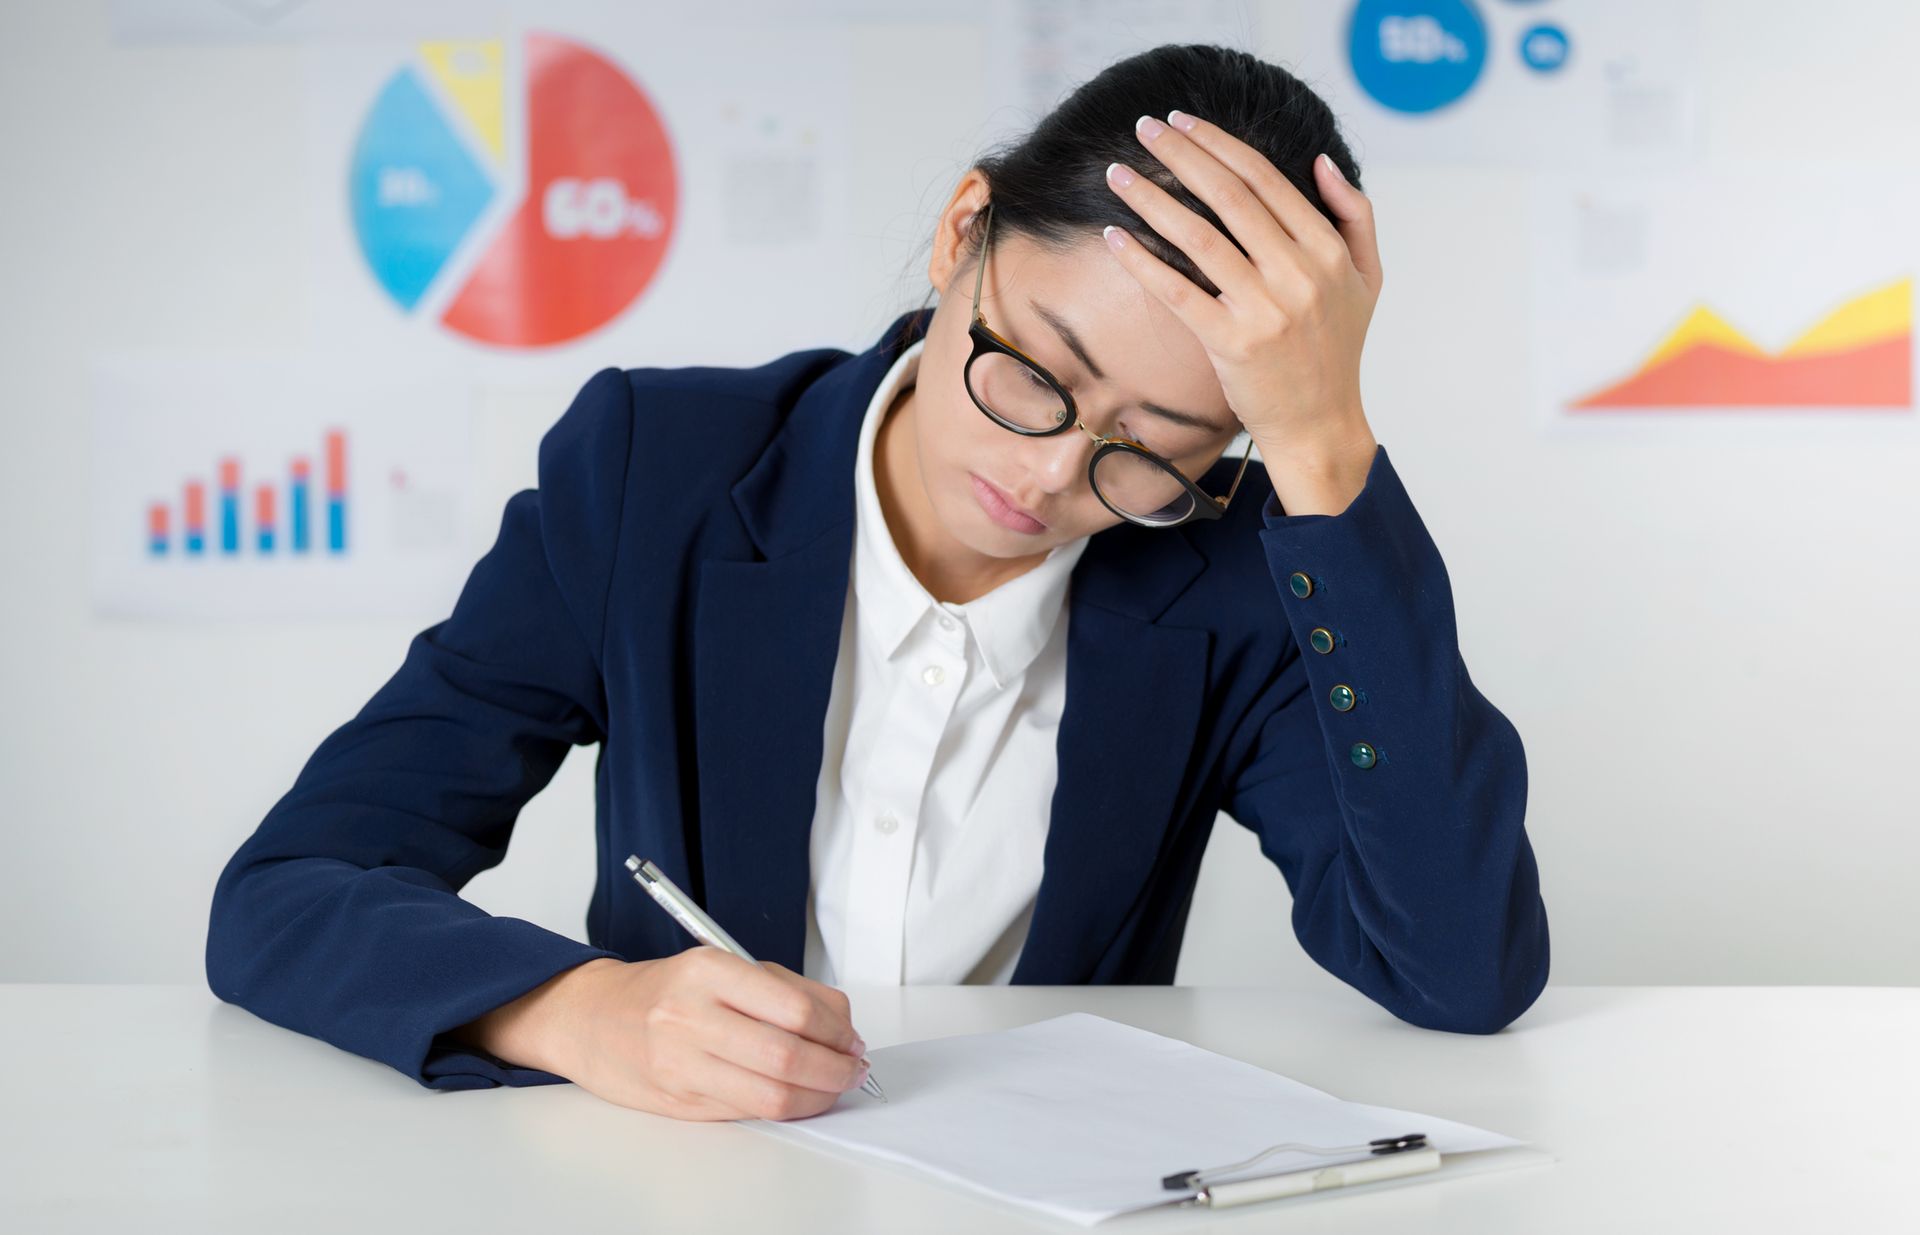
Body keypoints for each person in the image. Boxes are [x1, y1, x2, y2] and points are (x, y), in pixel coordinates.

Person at [205, 43, 1547, 1124]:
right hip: (686, 1181)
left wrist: (1323, 447)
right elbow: (289, 887)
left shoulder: (1241, 571)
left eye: (1152, 449)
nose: (1052, 470)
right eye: (1040, 371)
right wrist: (574, 1011)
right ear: (965, 232)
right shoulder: (651, 472)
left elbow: (1460, 971)